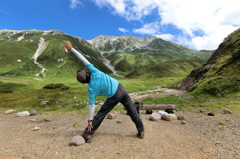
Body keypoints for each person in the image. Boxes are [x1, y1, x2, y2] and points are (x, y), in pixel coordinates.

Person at [63, 41, 144, 143]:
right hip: (121, 88)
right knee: (132, 111)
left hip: (114, 95)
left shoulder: (91, 89)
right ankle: (141, 131)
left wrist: (89, 120)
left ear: (84, 82)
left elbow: (92, 106)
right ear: (87, 74)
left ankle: (87, 134)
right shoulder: (94, 71)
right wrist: (71, 49)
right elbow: (83, 59)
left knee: (101, 113)